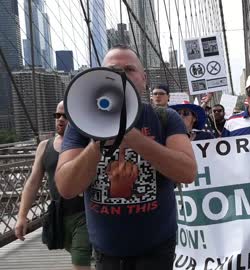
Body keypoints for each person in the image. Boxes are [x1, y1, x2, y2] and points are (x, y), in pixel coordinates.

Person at [55, 45, 197, 270]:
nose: (121, 76)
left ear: (144, 78)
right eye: (113, 70)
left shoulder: (165, 118)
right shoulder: (81, 123)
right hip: (106, 251)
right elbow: (66, 186)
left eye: (129, 69)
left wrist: (131, 136)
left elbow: (188, 172)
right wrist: (98, 142)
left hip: (156, 249)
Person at [15, 101, 92, 270]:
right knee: (78, 256)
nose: (60, 119)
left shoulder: (89, 145)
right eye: (57, 115)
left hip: (85, 213)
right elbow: (33, 182)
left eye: (66, 116)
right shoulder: (45, 146)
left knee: (80, 260)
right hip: (60, 215)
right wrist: (22, 216)